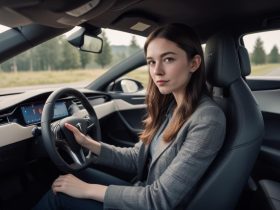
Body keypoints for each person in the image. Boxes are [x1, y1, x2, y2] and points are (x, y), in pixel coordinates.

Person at [33, 23, 226, 210]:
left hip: (151, 202)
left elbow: (159, 200)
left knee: (59, 195)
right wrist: (88, 143)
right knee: (74, 174)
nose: (156, 71)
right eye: (151, 61)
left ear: (194, 63)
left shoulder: (207, 119)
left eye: (168, 59)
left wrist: (87, 190)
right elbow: (137, 158)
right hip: (142, 191)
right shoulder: (172, 106)